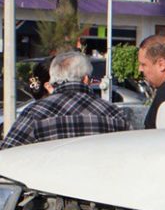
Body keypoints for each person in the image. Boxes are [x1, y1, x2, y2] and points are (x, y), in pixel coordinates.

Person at [0, 51, 130, 149]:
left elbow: (8, 156)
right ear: (86, 79)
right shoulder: (114, 114)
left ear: (52, 79)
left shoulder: (35, 113)